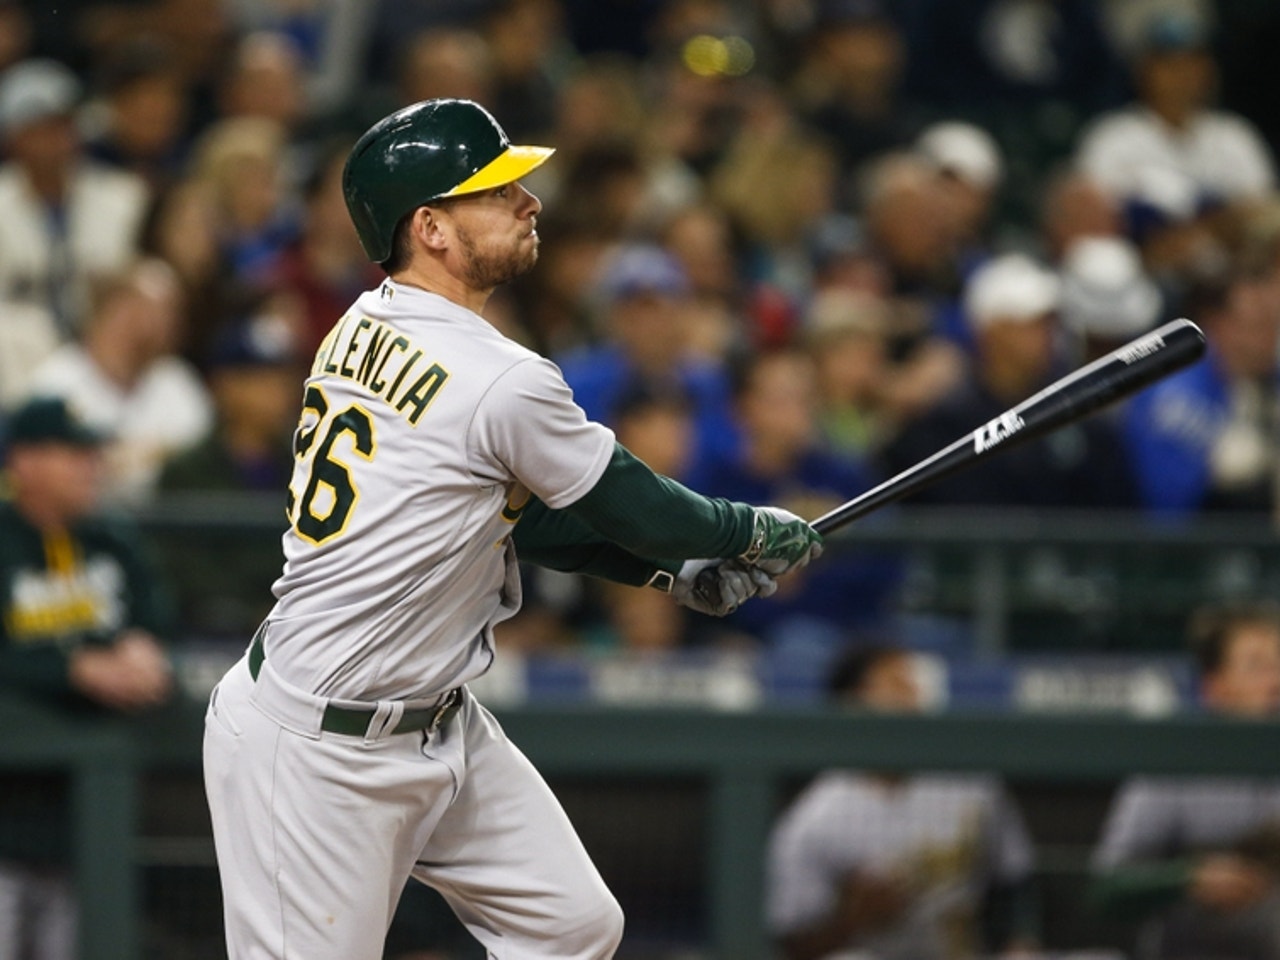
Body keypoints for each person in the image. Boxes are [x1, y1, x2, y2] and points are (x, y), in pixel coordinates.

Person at [201, 97, 823, 960]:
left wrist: (667, 575)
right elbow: (629, 504)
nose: (528, 198)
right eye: (494, 190)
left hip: (438, 720)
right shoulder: (496, 375)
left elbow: (504, 518)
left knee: (570, 928)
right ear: (432, 229)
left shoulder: (361, 322)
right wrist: (743, 530)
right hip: (316, 747)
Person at [0, 395, 174, 960]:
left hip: (86, 830)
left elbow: (156, 622)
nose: (89, 464)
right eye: (72, 452)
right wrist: (73, 668)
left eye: (92, 452)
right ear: (23, 461)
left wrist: (147, 649)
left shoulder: (112, 540)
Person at [766, 643, 1039, 960]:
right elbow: (791, 945)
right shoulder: (817, 815)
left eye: (915, 683)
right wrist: (853, 920)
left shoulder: (968, 782)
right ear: (851, 703)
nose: (913, 696)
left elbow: (1015, 883)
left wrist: (1019, 943)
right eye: (896, 683)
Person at [1090, 601, 1280, 960]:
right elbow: (1106, 889)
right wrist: (1188, 879)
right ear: (1214, 688)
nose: (1276, 681)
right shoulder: (1175, 766)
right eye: (1257, 667)